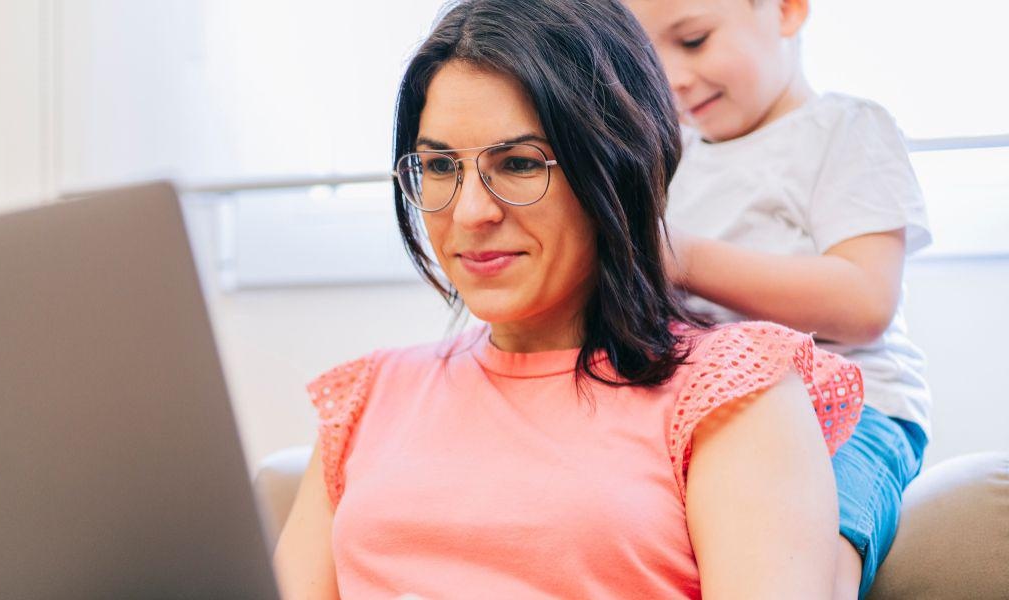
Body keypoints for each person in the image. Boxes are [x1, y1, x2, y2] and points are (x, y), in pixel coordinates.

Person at [275, 0, 863, 597]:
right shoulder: (366, 397)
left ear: (619, 164)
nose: (471, 212)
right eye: (440, 165)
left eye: (519, 163)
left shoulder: (733, 391)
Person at [624, 0, 931, 597]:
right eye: (648, 58)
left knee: (807, 549)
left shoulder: (845, 129)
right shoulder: (671, 156)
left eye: (693, 40)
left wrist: (684, 259)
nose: (672, 78)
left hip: (850, 411)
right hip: (710, 418)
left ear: (787, 10)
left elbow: (866, 301)